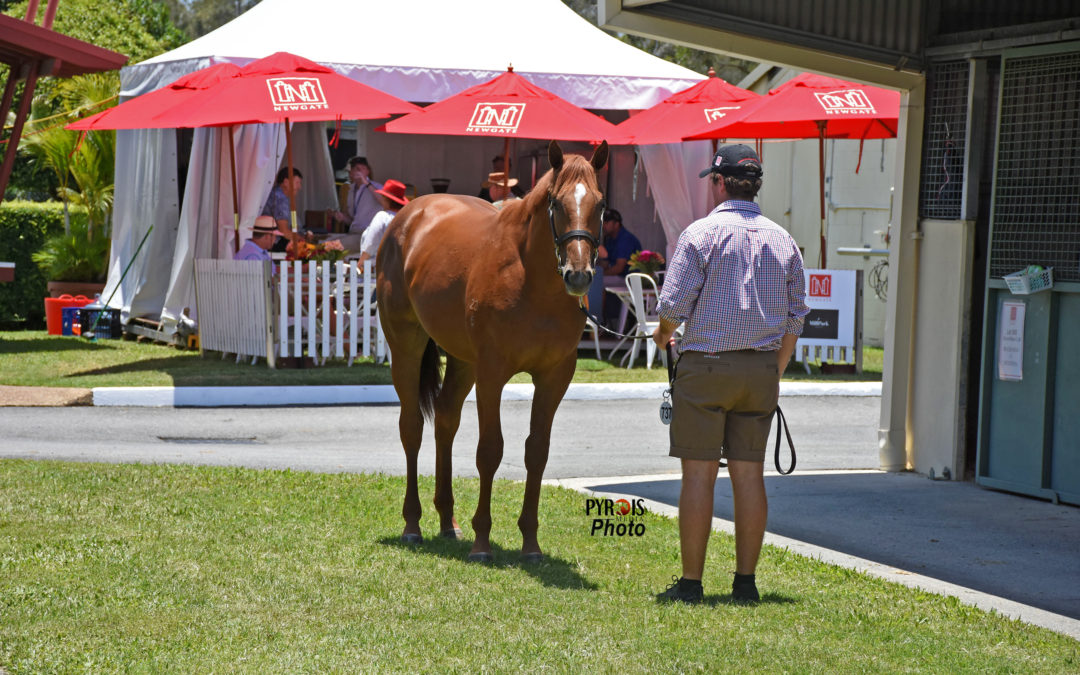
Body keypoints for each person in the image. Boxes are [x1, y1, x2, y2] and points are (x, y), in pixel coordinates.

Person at [652, 144, 809, 605]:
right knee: (749, 475)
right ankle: (745, 584)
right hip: (760, 368)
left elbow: (673, 306)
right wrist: (773, 370)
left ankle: (692, 584)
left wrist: (663, 335)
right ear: (755, 184)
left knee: (698, 477)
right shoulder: (783, 238)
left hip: (707, 366)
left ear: (719, 182)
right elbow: (796, 316)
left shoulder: (700, 234)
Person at [357, 179, 409, 267]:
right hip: (399, 270)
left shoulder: (382, 217)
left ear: (387, 199)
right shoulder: (406, 219)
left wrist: (359, 264)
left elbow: (371, 244)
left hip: (377, 270)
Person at [334, 156, 383, 236]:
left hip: (369, 234)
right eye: (354, 169)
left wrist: (366, 183)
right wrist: (343, 218)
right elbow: (353, 221)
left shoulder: (377, 187)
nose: (357, 172)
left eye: (360, 169)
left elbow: (384, 202)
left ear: (368, 171)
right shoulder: (350, 190)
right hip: (354, 233)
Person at [261, 166, 305, 251]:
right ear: (286, 182)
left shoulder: (279, 194)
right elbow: (284, 232)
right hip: (274, 244)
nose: (300, 187)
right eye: (297, 183)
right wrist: (303, 240)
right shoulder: (280, 198)